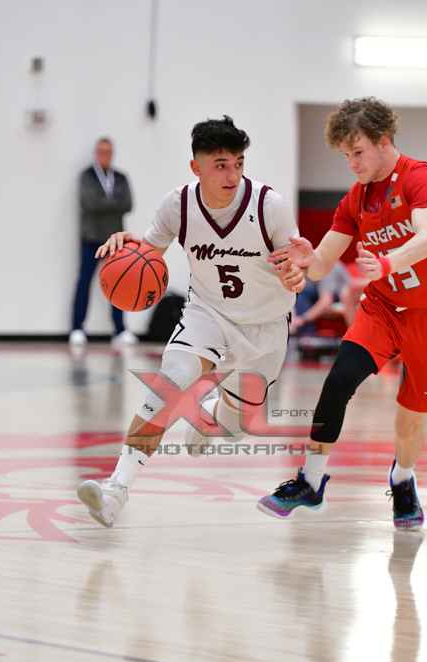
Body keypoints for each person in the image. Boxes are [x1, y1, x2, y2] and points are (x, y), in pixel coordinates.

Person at [76, 116, 302, 527]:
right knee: (170, 382)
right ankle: (115, 490)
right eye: (220, 165)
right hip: (208, 314)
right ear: (196, 167)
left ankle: (211, 412)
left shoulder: (270, 206)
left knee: (239, 425)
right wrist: (125, 245)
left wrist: (296, 274)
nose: (232, 174)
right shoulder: (177, 205)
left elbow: (298, 264)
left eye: (238, 163)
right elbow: (148, 252)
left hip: (266, 325)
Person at [258, 97, 427, 529]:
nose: (351, 164)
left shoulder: (420, 178)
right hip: (384, 308)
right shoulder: (356, 198)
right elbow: (321, 265)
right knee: (339, 381)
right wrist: (308, 258)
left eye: (357, 152)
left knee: (411, 416)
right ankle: (311, 481)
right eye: (345, 156)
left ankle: (402, 479)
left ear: (384, 141)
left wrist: (386, 263)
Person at [69, 137, 137, 347]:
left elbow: (128, 203)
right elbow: (89, 203)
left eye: (108, 152)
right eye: (101, 152)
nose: (104, 155)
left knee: (118, 284)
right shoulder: (87, 176)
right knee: (84, 282)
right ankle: (77, 328)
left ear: (112, 154)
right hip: (91, 238)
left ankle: (120, 330)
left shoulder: (121, 178)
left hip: (114, 240)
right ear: (96, 154)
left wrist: (105, 202)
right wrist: (112, 202)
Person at [291, 261, 350, 335]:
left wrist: (302, 319)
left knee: (301, 297)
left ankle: (305, 337)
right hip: (318, 298)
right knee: (300, 294)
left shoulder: (327, 266)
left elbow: (326, 301)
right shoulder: (308, 267)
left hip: (342, 300)